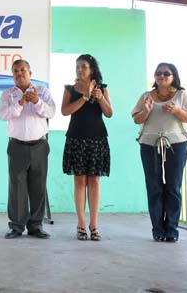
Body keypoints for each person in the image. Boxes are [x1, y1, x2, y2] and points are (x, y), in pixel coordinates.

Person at [132, 63, 187, 242]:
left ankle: (172, 229)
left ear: (173, 76)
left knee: (173, 187)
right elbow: (137, 119)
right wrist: (146, 110)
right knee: (154, 186)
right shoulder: (146, 96)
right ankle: (157, 229)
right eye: (158, 73)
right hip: (149, 144)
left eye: (166, 73)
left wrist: (176, 110)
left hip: (176, 143)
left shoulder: (182, 95)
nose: (162, 76)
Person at [0, 59, 55, 239]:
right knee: (17, 188)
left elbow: (51, 112)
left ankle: (36, 226)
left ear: (30, 72)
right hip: (16, 146)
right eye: (15, 71)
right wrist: (20, 103)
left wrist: (37, 101)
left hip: (39, 145)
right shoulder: (8, 94)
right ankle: (16, 226)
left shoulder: (42, 91)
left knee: (38, 186)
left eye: (23, 70)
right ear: (12, 75)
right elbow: (2, 114)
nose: (19, 73)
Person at [61, 54, 113, 241]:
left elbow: (109, 113)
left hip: (97, 139)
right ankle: (81, 224)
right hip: (76, 139)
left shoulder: (102, 88)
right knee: (79, 181)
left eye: (83, 66)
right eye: (77, 67)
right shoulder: (70, 89)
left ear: (92, 69)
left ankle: (94, 224)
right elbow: (65, 111)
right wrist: (84, 97)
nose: (80, 70)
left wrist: (100, 98)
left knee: (95, 181)